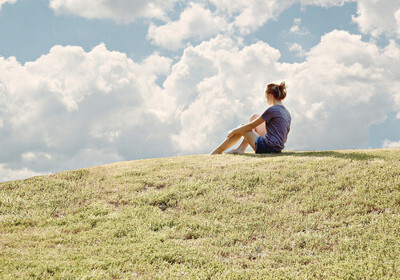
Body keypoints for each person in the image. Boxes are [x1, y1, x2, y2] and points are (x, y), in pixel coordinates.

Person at [210, 82, 291, 155]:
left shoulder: (272, 110)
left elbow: (250, 126)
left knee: (242, 127)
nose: (266, 100)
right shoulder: (286, 112)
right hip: (276, 148)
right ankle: (240, 149)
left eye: (266, 97)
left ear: (270, 95)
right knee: (255, 117)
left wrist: (233, 131)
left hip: (267, 148)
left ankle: (218, 151)